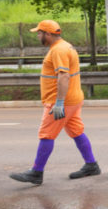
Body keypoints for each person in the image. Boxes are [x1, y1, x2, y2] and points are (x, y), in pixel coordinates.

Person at [9, 20, 100, 185]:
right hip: (73, 99)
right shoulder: (66, 46)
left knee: (46, 135)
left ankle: (36, 172)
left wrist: (59, 103)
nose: (38, 36)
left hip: (61, 102)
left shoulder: (58, 50)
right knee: (76, 131)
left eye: (39, 33)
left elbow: (63, 76)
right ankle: (91, 165)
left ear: (48, 34)